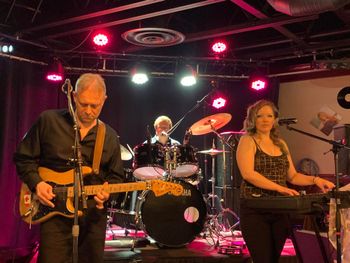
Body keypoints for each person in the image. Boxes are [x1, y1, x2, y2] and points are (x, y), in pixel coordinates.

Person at [14, 73, 125, 263]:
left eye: (95, 105)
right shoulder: (48, 120)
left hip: (92, 218)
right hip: (54, 214)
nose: (88, 111)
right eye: (83, 104)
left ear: (104, 101)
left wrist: (107, 195)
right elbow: (23, 158)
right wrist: (37, 184)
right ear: (74, 96)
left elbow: (116, 178)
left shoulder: (110, 137)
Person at [236, 99, 335, 263]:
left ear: (275, 119)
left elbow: (293, 176)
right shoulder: (248, 140)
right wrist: (280, 188)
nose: (265, 120)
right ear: (252, 119)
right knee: (262, 259)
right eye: (260, 116)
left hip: (280, 208)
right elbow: (248, 174)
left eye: (269, 116)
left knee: (273, 259)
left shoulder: (280, 143)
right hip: (255, 207)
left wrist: (316, 180)